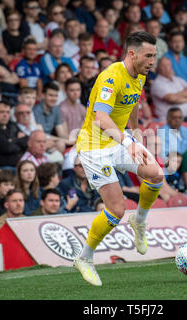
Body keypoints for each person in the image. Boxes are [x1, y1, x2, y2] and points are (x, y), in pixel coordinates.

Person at [73, 31, 163, 286]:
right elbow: (101, 119)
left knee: (156, 174)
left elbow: (132, 102)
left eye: (154, 56)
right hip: (94, 147)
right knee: (116, 209)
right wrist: (126, 142)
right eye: (148, 55)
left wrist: (134, 136)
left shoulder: (140, 74)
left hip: (119, 139)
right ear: (132, 54)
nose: (152, 61)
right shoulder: (111, 77)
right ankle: (84, 257)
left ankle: (140, 220)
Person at [150, 56, 187, 122]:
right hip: (170, 121)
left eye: (169, 65)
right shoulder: (157, 83)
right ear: (158, 68)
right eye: (164, 66)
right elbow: (171, 99)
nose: (167, 68)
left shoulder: (176, 79)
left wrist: (175, 96)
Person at [0, 100, 29, 170]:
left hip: (20, 164)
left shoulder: (12, 125)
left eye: (7, 112)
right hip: (5, 166)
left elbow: (27, 142)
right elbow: (7, 147)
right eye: (2, 112)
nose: (5, 115)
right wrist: (18, 140)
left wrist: (12, 140)